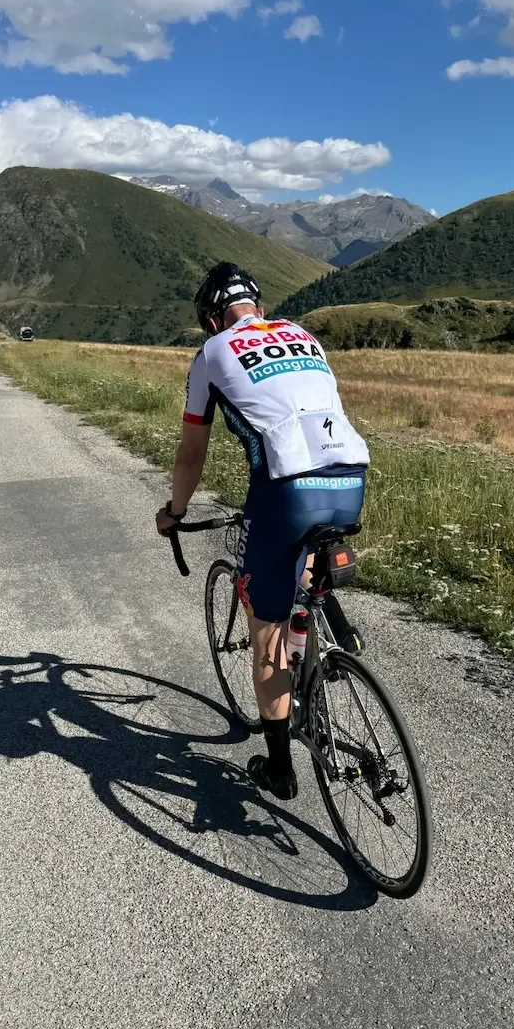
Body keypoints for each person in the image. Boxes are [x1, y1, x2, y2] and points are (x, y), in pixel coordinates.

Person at [156, 262, 369, 802]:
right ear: (259, 307)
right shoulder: (305, 335)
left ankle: (279, 770)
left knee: (265, 629)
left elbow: (191, 452)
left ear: (210, 319)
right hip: (350, 474)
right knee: (306, 573)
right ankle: (324, 642)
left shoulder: (210, 353)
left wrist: (174, 512)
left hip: (285, 488)